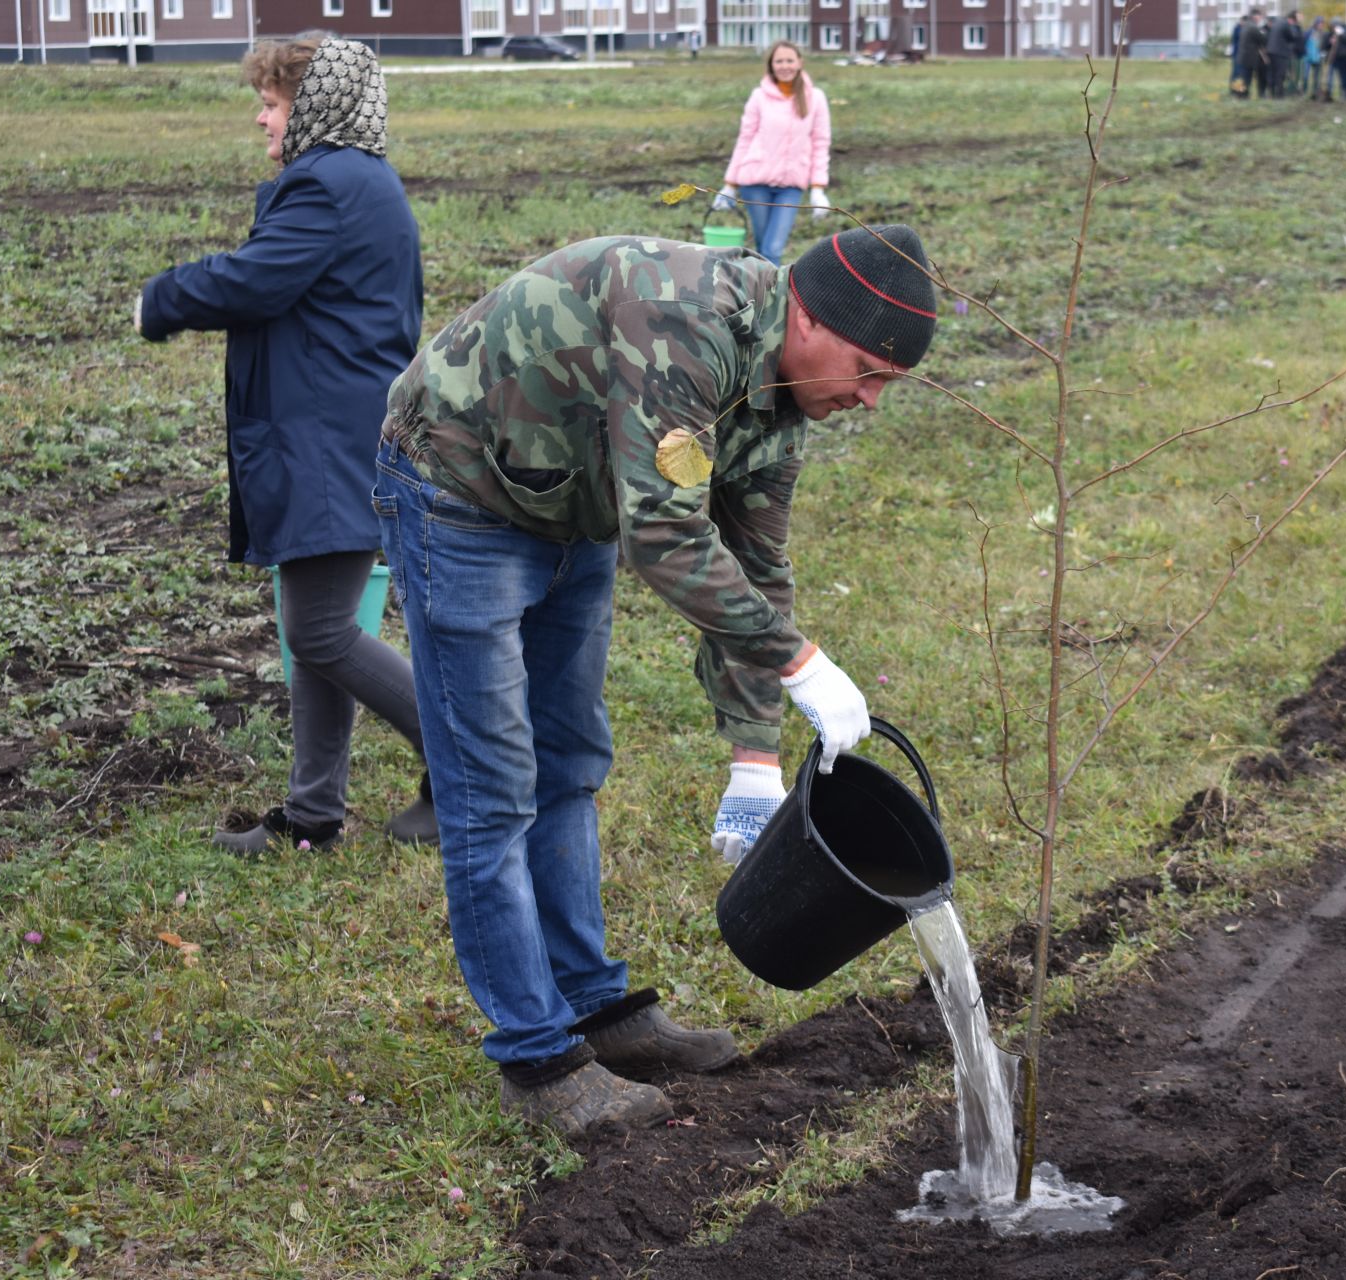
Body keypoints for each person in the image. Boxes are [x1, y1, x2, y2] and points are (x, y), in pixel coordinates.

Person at [372, 225, 938, 1137]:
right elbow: (666, 536)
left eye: (887, 385)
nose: (869, 400)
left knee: (571, 762)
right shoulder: (687, 320)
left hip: (569, 509)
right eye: (867, 371)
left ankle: (597, 1008)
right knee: (493, 789)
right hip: (461, 488)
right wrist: (798, 663)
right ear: (808, 313)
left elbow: (755, 566)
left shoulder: (790, 398)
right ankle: (536, 1056)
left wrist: (755, 754)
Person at [136, 33, 434, 854]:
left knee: (320, 633)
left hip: (329, 441)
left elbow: (255, 279)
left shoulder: (328, 183)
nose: (261, 121)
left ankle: (463, 767)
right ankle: (312, 818)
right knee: (319, 628)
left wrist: (159, 300)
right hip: (337, 433)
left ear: (310, 108)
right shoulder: (360, 180)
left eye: (270, 104)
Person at [712, 41, 832, 266]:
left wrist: (818, 189)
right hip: (755, 183)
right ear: (771, 65)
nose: (784, 66)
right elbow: (744, 139)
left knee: (773, 247)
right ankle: (761, 294)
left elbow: (821, 143)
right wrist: (730, 184)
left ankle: (770, 297)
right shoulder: (759, 97)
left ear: (800, 63)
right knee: (762, 248)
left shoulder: (815, 98)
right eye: (779, 61)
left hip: (791, 187)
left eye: (789, 60)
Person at [1240, 10, 1271, 99]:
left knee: (1244, 78)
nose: (1261, 18)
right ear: (1255, 16)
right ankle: (1243, 96)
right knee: (1246, 78)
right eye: (1260, 16)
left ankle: (1241, 95)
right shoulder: (1253, 27)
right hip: (1249, 58)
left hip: (1244, 56)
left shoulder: (1246, 25)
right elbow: (1263, 39)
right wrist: (1265, 33)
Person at [1325, 17, 1346, 101]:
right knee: (1341, 76)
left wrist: (1341, 34)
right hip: (1338, 57)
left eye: (1334, 26)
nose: (1333, 28)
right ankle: (1343, 93)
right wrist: (1330, 41)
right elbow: (1327, 44)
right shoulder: (1333, 32)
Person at [1302, 17, 1325, 97]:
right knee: (1305, 75)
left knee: (1316, 76)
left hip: (1317, 58)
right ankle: (1304, 90)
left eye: (1322, 24)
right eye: (1320, 24)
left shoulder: (1323, 34)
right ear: (1315, 24)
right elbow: (1303, 42)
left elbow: (1324, 46)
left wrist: (1323, 53)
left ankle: (1315, 92)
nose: (1321, 25)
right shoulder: (1308, 32)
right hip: (1307, 57)